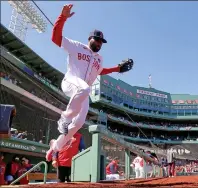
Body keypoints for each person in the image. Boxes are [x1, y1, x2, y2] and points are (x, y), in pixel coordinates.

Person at [46, 4, 133, 157]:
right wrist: (62, 18)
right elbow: (55, 38)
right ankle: (64, 119)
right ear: (90, 39)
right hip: (71, 81)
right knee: (84, 89)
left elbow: (101, 71)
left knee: (79, 123)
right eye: (97, 39)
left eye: (101, 41)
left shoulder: (99, 59)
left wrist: (117, 69)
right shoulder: (77, 47)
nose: (99, 43)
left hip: (83, 91)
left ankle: (55, 147)